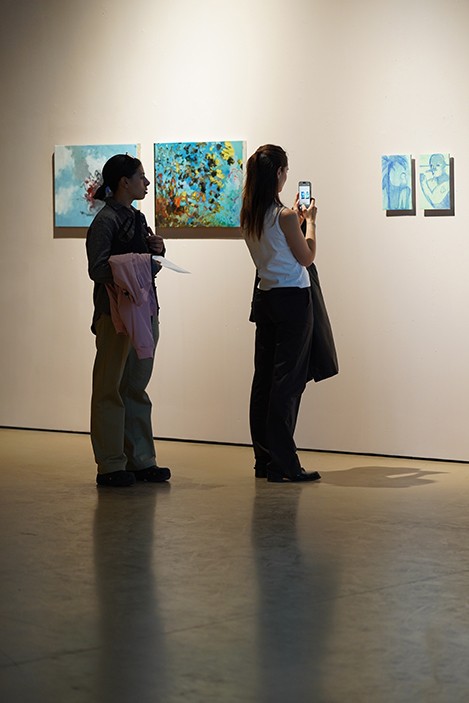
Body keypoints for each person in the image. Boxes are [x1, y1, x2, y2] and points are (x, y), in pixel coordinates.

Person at [86, 154, 170, 487]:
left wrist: (156, 252)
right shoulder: (105, 221)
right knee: (109, 388)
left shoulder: (137, 217)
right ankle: (110, 464)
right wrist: (138, 265)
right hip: (115, 314)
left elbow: (146, 265)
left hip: (143, 310)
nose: (146, 183)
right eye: (141, 177)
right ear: (124, 182)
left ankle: (141, 460)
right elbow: (97, 269)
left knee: (135, 386)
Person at [241, 144, 322, 483]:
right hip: (292, 301)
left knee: (264, 381)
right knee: (287, 383)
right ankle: (285, 463)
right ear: (278, 173)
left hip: (265, 299)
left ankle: (264, 459)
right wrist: (310, 223)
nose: (287, 176)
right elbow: (307, 257)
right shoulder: (286, 217)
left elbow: (275, 249)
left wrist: (295, 220)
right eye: (285, 171)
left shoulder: (250, 214)